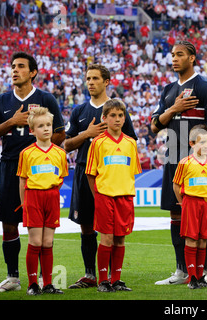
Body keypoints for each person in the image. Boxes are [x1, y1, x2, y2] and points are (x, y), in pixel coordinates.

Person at [0, 52, 65, 293]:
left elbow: (61, 134)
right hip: (10, 165)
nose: (14, 70)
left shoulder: (46, 99)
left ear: (32, 72)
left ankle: (43, 279)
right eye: (12, 66)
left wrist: (39, 147)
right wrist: (12, 122)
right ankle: (13, 278)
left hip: (38, 169)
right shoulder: (2, 101)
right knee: (9, 225)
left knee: (41, 229)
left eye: (20, 66)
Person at [151, 40, 207, 285]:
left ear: (192, 58)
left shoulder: (205, 88)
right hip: (173, 156)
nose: (174, 58)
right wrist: (174, 108)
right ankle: (182, 270)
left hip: (198, 163)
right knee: (176, 212)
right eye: (172, 54)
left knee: (203, 214)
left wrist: (199, 152)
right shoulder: (169, 89)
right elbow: (154, 125)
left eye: (179, 54)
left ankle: (203, 271)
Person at [65, 64, 137, 289]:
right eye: (88, 79)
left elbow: (130, 141)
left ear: (106, 82)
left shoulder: (118, 110)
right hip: (84, 172)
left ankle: (110, 277)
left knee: (113, 232)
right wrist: (86, 134)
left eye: (95, 78)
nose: (90, 83)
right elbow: (65, 145)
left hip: (111, 178)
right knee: (86, 225)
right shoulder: (79, 111)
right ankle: (90, 274)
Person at [85, 98, 142, 292]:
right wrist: (99, 196)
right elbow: (91, 174)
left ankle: (116, 279)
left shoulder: (130, 143)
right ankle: (103, 281)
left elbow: (131, 171)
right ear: (104, 118)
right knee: (106, 239)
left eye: (120, 115)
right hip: (105, 196)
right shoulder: (98, 143)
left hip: (124, 196)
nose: (117, 119)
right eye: (113, 116)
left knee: (120, 239)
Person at [17, 107, 68, 295]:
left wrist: (51, 192)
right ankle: (32, 284)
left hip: (52, 197)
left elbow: (60, 177)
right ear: (32, 130)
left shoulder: (60, 154)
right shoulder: (27, 153)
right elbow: (22, 180)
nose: (46, 129)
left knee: (48, 243)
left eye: (48, 125)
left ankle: (47, 284)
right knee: (35, 242)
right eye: (40, 126)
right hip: (33, 198)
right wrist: (24, 204)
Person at [172, 125, 207, 289]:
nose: (205, 146)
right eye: (201, 142)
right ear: (192, 143)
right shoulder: (185, 163)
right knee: (191, 240)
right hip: (191, 204)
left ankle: (200, 277)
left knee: (203, 241)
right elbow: (176, 185)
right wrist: (182, 202)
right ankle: (192, 278)